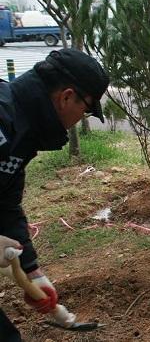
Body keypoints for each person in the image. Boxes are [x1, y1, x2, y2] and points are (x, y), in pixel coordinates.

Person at [0, 48, 109, 334]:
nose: (81, 118)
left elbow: (6, 206)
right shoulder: (4, 121)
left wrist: (31, 269)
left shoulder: (22, 133)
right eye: (85, 110)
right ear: (66, 97)